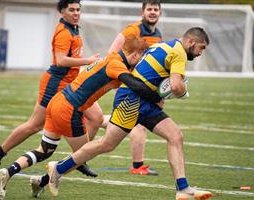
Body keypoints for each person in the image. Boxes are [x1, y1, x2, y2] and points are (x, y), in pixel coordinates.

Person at [45, 27, 213, 200]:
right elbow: (177, 87)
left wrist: (159, 94)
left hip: (143, 100)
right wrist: (183, 91)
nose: (201, 52)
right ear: (191, 42)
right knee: (107, 144)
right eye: (201, 47)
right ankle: (59, 168)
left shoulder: (166, 45)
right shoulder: (179, 53)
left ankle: (182, 188)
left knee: (175, 136)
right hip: (132, 99)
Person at [0, 34, 164, 200]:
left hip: (57, 101)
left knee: (45, 150)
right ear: (135, 54)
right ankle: (44, 179)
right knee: (83, 156)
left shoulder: (112, 57)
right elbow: (135, 85)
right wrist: (160, 95)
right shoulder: (116, 64)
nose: (140, 63)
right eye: (140, 58)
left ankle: (10, 172)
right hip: (70, 109)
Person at [0, 0, 102, 183]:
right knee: (34, 125)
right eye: (71, 10)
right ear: (62, 12)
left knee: (96, 117)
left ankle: (80, 157)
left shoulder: (74, 28)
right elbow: (61, 60)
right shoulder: (64, 32)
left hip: (72, 83)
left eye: (78, 9)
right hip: (56, 84)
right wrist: (87, 61)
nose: (76, 13)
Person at [102, 0, 162, 175]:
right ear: (142, 12)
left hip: (141, 85)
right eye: (149, 9)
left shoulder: (157, 34)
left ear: (160, 13)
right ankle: (137, 166)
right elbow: (111, 54)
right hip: (128, 84)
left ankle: (96, 120)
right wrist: (123, 78)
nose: (152, 12)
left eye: (156, 9)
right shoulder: (132, 30)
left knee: (130, 122)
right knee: (138, 124)